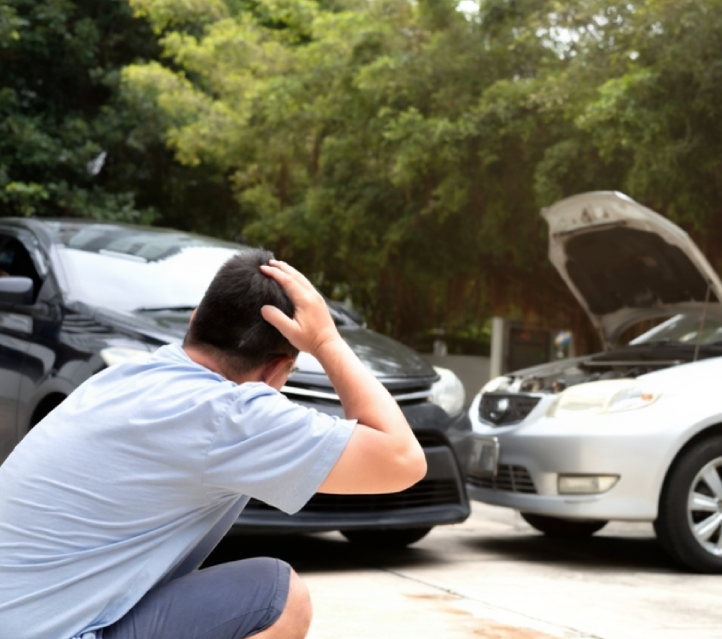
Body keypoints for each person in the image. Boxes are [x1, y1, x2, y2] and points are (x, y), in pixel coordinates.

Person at [0, 250, 427, 639]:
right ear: (279, 369)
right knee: (276, 596)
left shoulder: (128, 376)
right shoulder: (227, 413)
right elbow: (402, 461)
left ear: (195, 320)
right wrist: (326, 341)